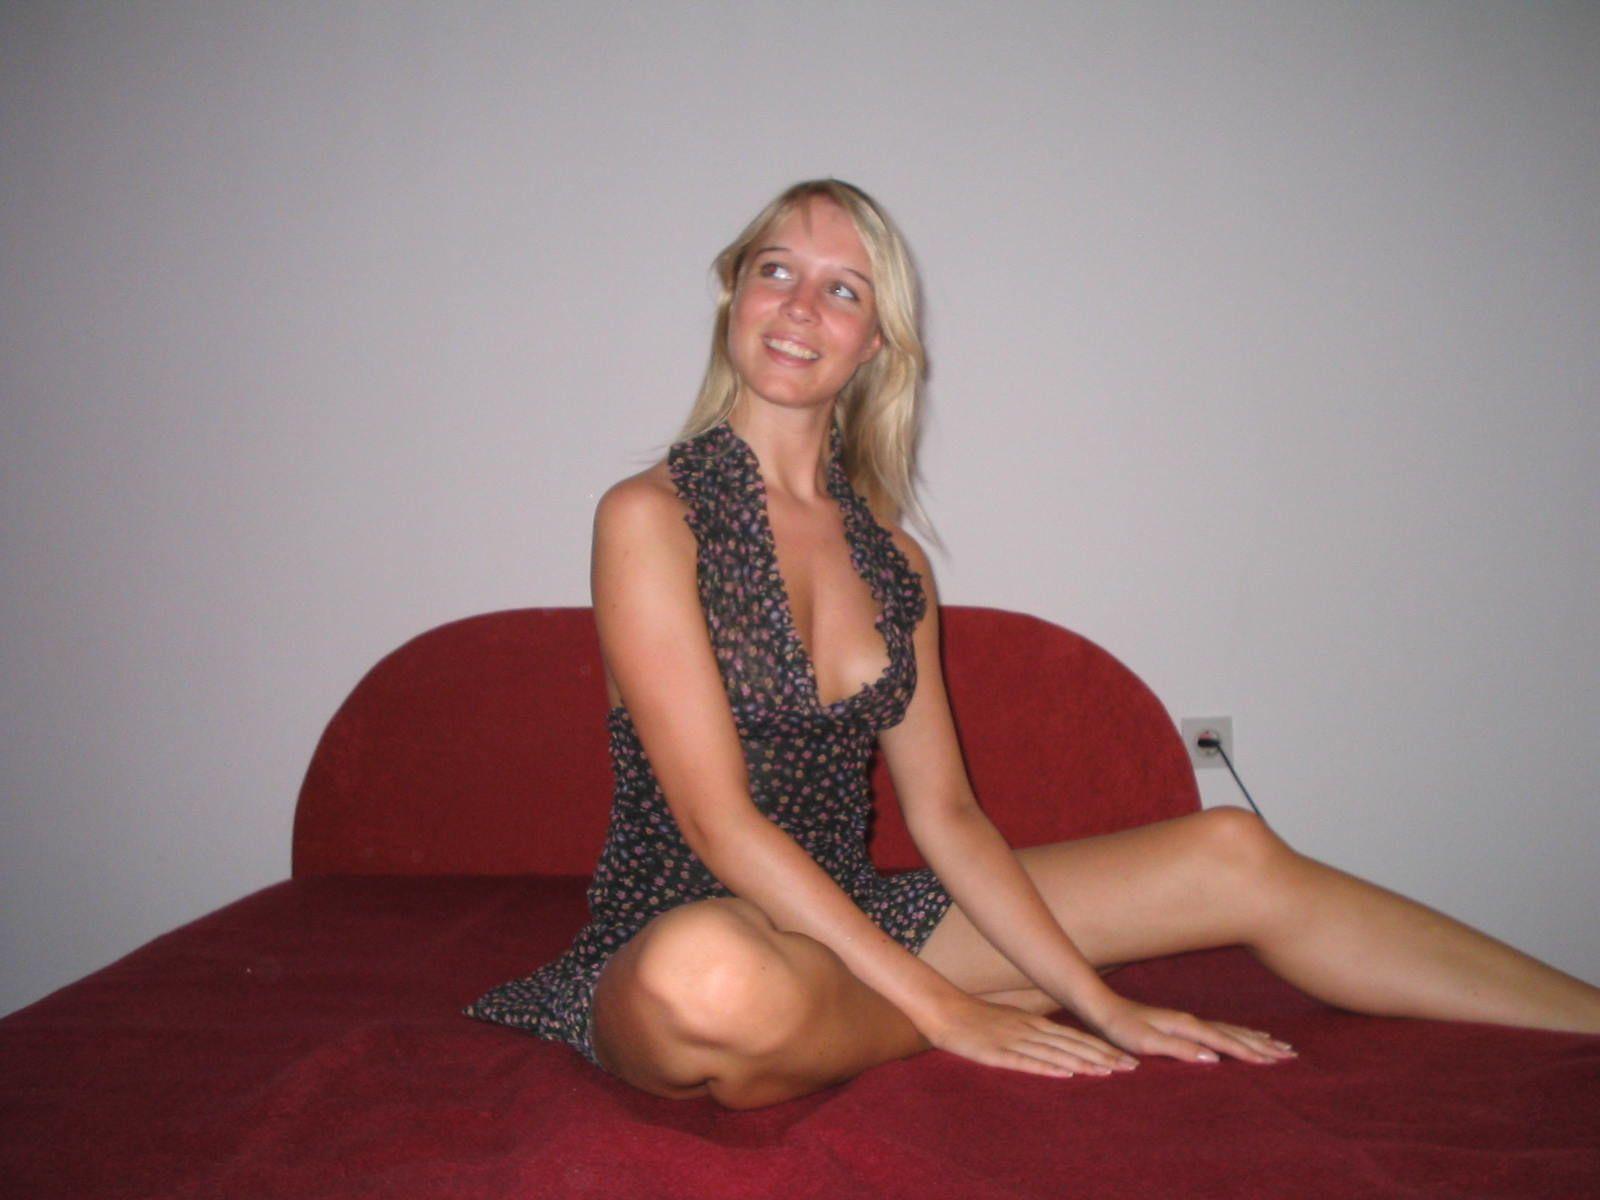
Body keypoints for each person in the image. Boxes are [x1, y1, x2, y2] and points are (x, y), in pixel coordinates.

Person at [466, 178, 1600, 1109]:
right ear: (733, 293)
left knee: (1232, 849)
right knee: (708, 979)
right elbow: (719, 823)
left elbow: (948, 817)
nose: (800, 307)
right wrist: (945, 1010)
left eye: (843, 289)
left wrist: (1105, 1004)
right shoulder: (650, 518)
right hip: (680, 931)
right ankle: (909, 1019)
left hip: (851, 921)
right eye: (776, 271)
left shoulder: (893, 563)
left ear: (875, 344)